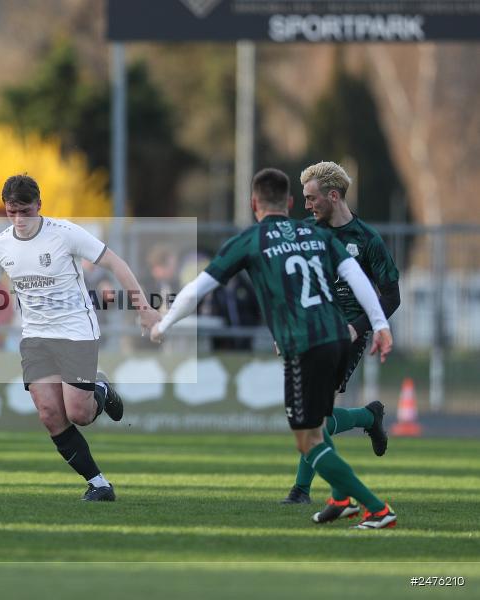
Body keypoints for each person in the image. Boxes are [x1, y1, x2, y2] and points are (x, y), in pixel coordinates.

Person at [150, 168, 397, 529]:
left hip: (306, 343)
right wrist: (380, 325)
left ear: (254, 204)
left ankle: (376, 509)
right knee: (318, 425)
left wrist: (164, 324)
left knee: (308, 438)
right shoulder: (316, 236)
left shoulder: (252, 240)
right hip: (335, 338)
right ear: (291, 202)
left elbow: (195, 290)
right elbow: (357, 278)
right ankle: (342, 496)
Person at [0, 174, 160, 502]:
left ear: (39, 206)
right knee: (49, 414)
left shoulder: (65, 234)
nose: (19, 219)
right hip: (36, 337)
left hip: (76, 332)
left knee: (79, 415)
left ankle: (100, 389)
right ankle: (99, 484)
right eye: (12, 212)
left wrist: (144, 309)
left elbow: (115, 262)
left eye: (25, 211)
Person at [278, 161, 401, 505]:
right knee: (317, 415)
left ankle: (301, 490)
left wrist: (357, 328)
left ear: (333, 196)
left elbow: (392, 295)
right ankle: (368, 416)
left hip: (345, 336)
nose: (307, 205)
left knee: (313, 414)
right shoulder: (303, 233)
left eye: (311, 197)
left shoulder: (367, 240)